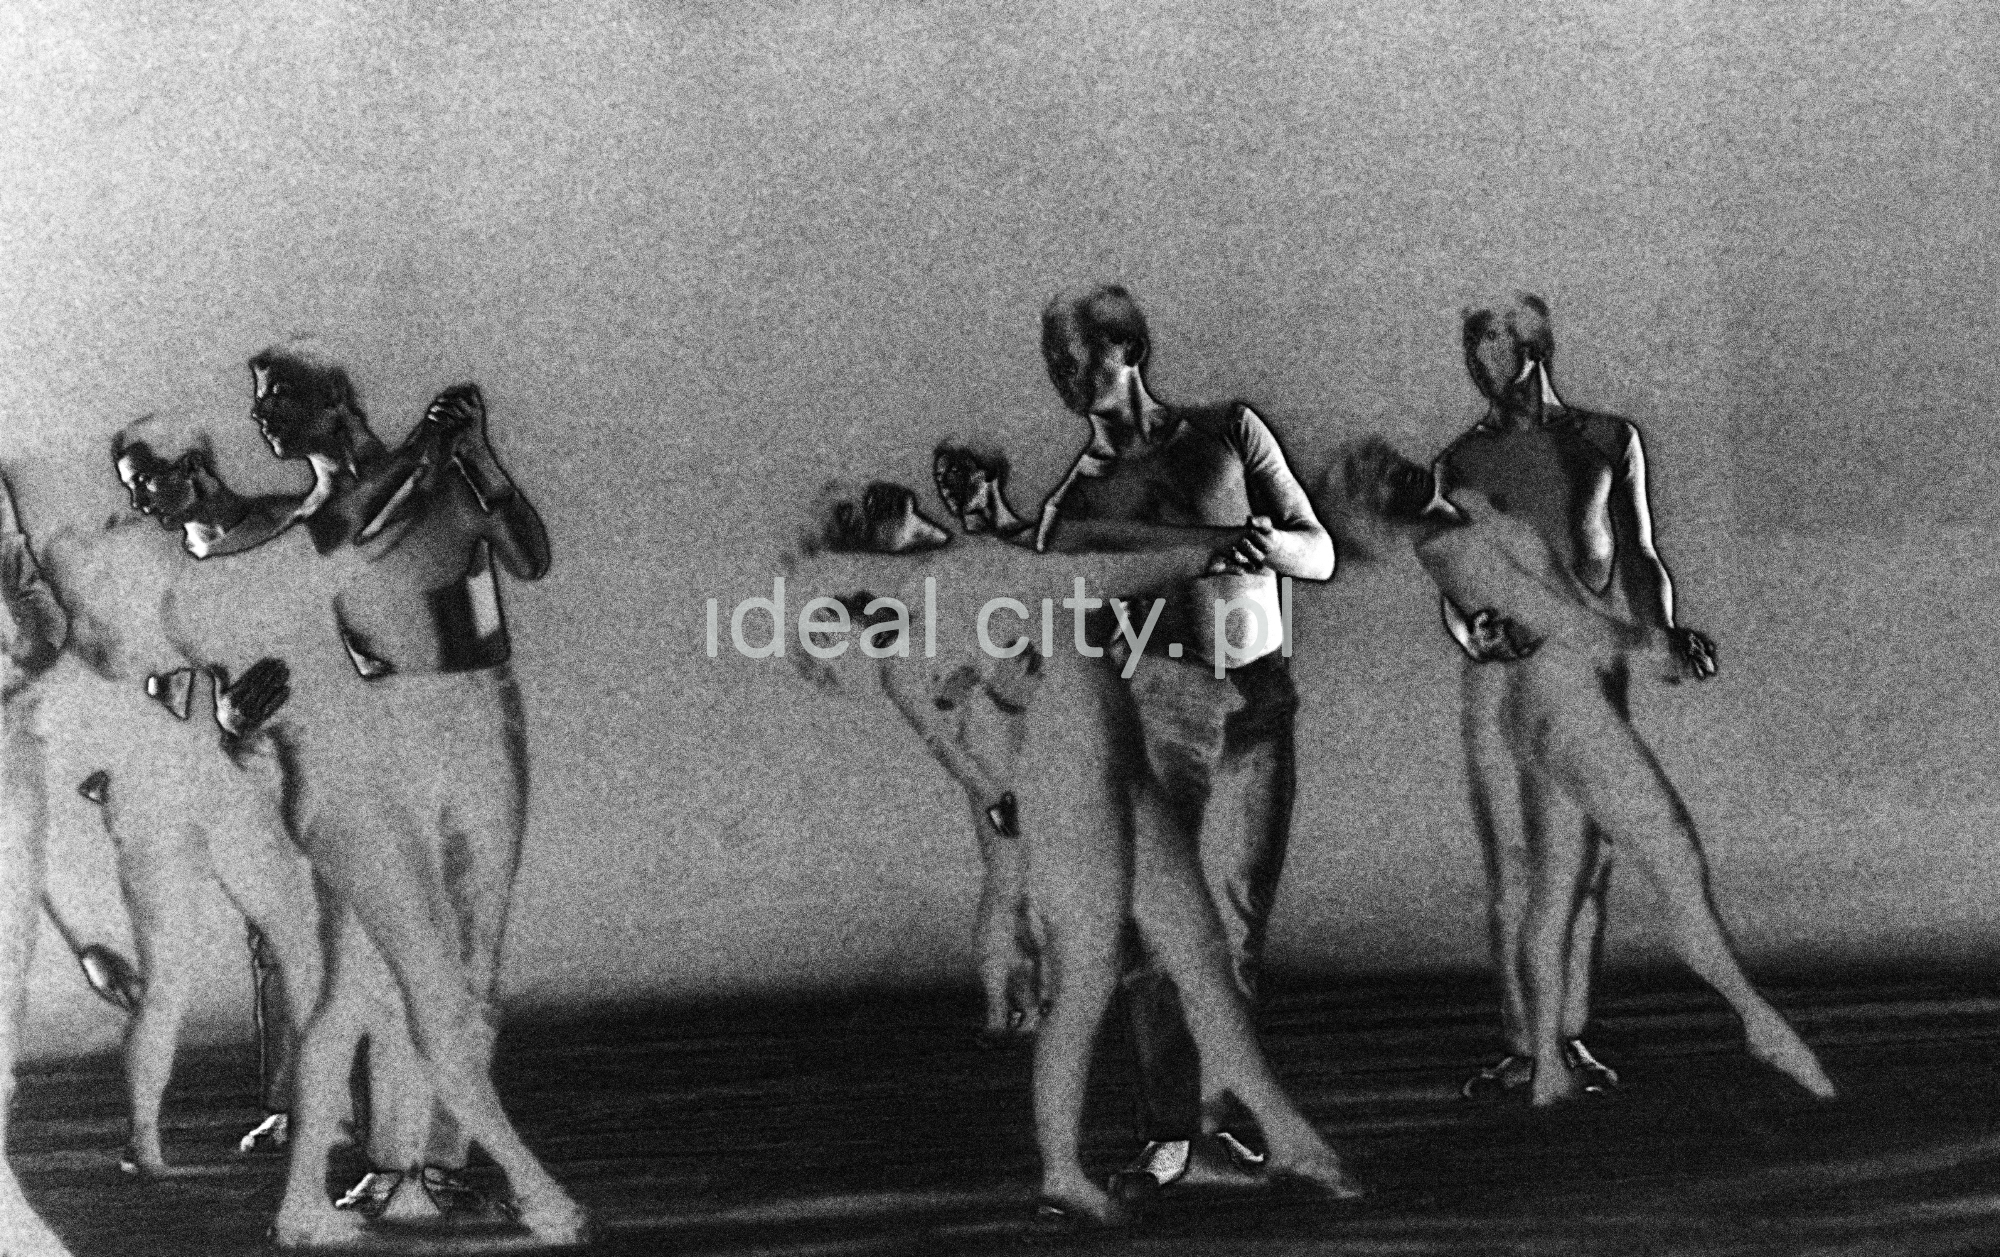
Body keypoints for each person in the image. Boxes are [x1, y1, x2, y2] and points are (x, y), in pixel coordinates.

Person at [165, 344, 576, 1246]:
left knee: (476, 943)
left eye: (277, 396)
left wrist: (481, 459)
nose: (261, 415)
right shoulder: (312, 517)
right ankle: (393, 1164)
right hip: (385, 723)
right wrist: (429, 448)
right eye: (259, 401)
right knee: (395, 960)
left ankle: (440, 1162)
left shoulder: (438, 476)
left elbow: (529, 556)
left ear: (333, 399)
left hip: (485, 713)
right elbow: (351, 529)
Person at [1348, 436, 1835, 1106]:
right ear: (1374, 515)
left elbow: (1572, 592)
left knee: (1561, 887)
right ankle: (1757, 1018)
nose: (1385, 470)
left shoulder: (1468, 504)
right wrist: (1652, 648)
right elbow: (1556, 615)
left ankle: (1549, 1065)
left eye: (1379, 458)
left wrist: (1652, 642)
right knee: (1671, 855)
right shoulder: (1448, 548)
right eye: (1369, 481)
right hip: (1562, 706)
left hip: (1558, 700)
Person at [1032, 283, 1335, 1196]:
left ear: (1129, 348)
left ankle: (1212, 1124)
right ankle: (1173, 1133)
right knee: (1160, 933)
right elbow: (1056, 632)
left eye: (1077, 353)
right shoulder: (1073, 506)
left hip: (1258, 702)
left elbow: (1315, 552)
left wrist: (1252, 543)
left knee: (1236, 922)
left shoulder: (1229, 432)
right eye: (1054, 360)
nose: (1065, 374)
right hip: (1159, 711)